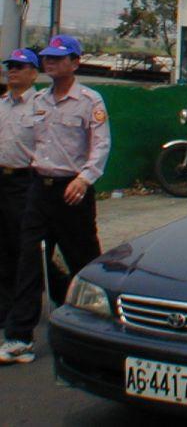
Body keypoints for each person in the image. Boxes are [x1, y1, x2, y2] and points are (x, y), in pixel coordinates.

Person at [0, 35, 110, 365]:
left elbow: (101, 146)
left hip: (73, 191)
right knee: (28, 263)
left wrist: (84, 178)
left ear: (75, 62)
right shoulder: (39, 102)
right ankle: (19, 337)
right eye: (47, 57)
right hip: (38, 189)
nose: (50, 62)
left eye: (58, 58)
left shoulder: (90, 100)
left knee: (84, 260)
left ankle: (100, 330)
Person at [0, 49, 69, 330]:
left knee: (27, 247)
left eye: (19, 66)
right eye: (10, 66)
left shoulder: (40, 105)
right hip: (2, 180)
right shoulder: (2, 103)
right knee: (3, 247)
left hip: (26, 181)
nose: (12, 71)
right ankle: (6, 306)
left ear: (33, 72)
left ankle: (62, 291)